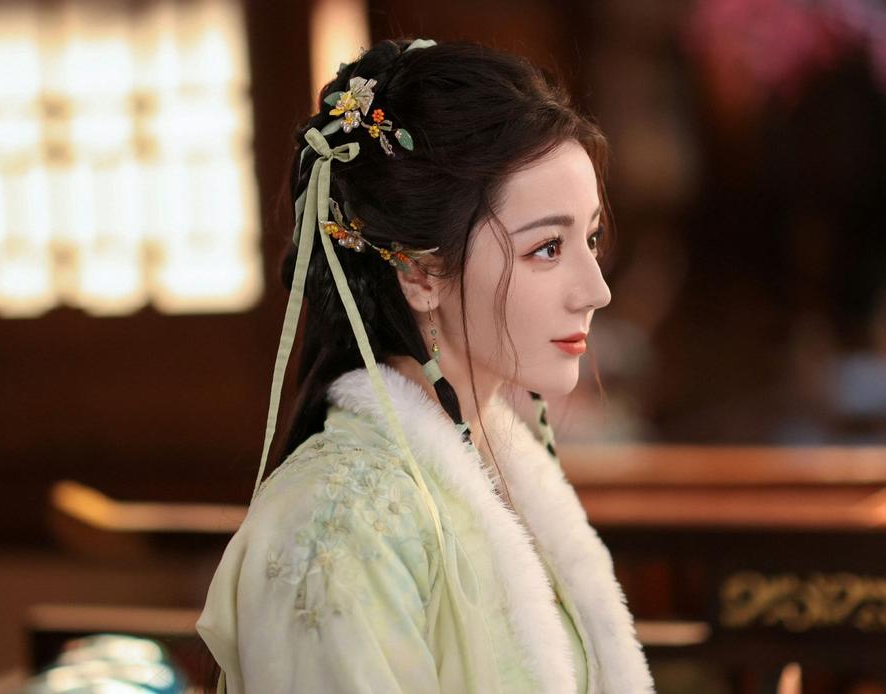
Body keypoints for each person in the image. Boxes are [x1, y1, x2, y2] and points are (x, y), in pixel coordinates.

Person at [195, 37, 655, 693]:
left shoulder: (500, 467)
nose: (596, 290)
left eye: (592, 238)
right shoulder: (339, 520)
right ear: (420, 272)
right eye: (548, 248)